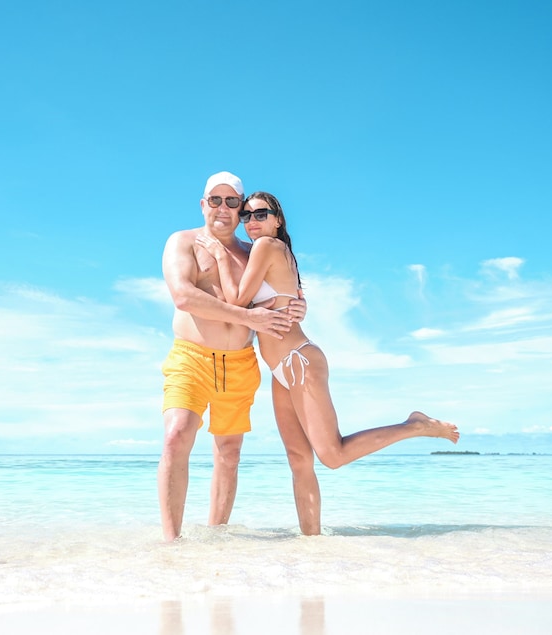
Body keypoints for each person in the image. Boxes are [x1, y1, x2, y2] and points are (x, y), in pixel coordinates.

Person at [196, 191, 460, 536]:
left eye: (260, 214)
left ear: (278, 219)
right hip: (281, 370)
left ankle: (415, 426)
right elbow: (274, 302)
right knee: (298, 460)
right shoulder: (274, 251)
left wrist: (218, 253)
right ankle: (312, 542)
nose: (251, 222)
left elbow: (236, 301)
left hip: (298, 360)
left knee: (332, 455)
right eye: (246, 216)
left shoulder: (267, 247)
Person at [158, 172, 306, 542]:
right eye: (215, 200)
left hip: (240, 362)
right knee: (176, 436)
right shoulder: (183, 241)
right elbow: (184, 297)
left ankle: (216, 537)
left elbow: (281, 294)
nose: (222, 208)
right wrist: (247, 317)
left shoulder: (253, 251)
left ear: (239, 208)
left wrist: (297, 308)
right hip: (191, 357)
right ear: (202, 204)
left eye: (231, 201)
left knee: (229, 453)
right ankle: (172, 543)